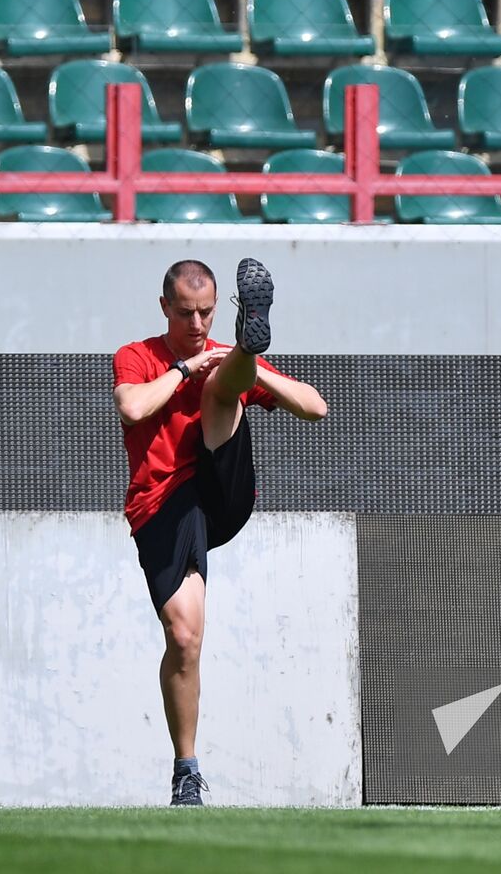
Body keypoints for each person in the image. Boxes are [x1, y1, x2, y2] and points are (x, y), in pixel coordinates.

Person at [113, 258, 328, 805]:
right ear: (164, 307)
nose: (196, 323)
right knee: (184, 638)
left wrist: (239, 364)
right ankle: (187, 771)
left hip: (220, 489)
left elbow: (316, 408)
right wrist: (188, 367)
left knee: (220, 392)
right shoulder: (137, 357)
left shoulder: (215, 355)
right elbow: (132, 406)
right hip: (162, 506)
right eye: (186, 313)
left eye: (208, 313)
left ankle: (247, 349)